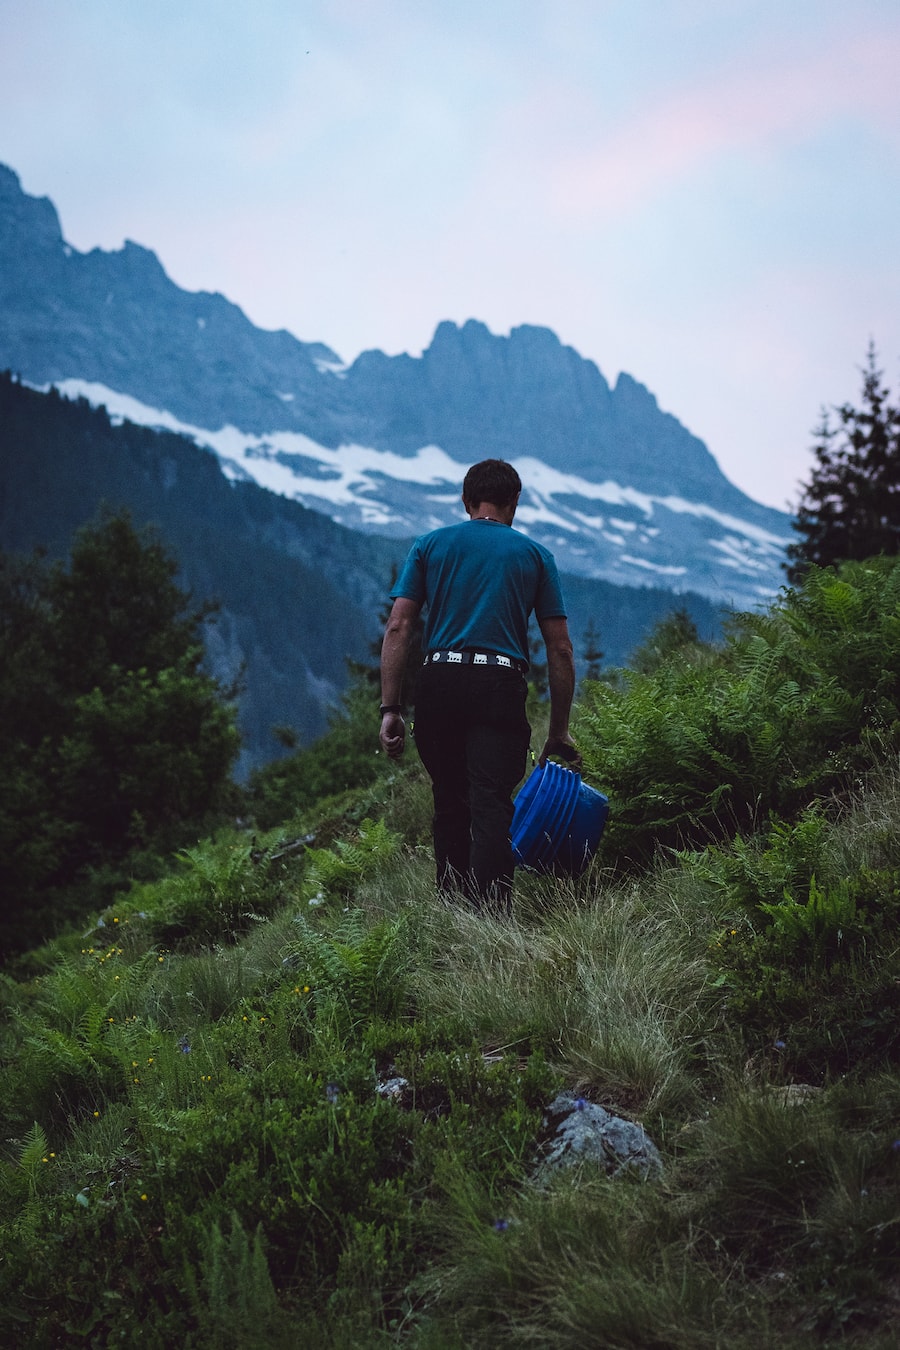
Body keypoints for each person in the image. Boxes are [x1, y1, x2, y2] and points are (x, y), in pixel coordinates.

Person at [379, 458, 581, 912]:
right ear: (514, 504)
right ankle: (491, 921)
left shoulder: (429, 546)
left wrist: (389, 708)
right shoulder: (534, 556)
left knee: (450, 801)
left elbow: (398, 627)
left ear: (466, 501)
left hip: (438, 682)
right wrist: (559, 731)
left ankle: (451, 914)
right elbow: (561, 649)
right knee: (490, 804)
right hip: (498, 683)